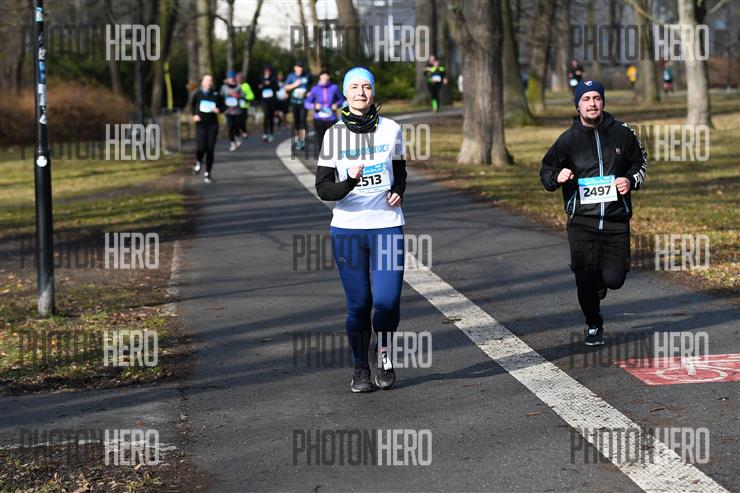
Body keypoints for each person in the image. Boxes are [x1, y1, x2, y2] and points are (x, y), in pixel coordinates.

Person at [314, 67, 407, 392]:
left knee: (388, 302)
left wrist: (399, 190)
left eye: (366, 86)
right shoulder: (334, 135)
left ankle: (384, 353)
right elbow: (324, 189)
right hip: (348, 230)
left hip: (387, 227)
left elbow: (399, 171)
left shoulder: (392, 129)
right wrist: (350, 181)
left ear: (373, 92)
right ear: (345, 93)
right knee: (359, 305)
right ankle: (360, 367)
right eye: (354, 87)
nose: (360, 93)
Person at [539, 80, 647, 346]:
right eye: (586, 99)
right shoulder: (568, 140)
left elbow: (640, 162)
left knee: (614, 279)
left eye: (596, 98)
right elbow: (546, 171)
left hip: (616, 220)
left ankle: (600, 285)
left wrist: (630, 180)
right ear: (577, 106)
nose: (592, 104)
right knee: (585, 278)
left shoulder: (623, 133)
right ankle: (593, 324)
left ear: (603, 102)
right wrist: (557, 176)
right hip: (582, 222)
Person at [191, 74, 224, 183]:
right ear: (202, 82)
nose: (209, 82)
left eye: (210, 80)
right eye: (206, 80)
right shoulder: (197, 93)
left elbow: (223, 106)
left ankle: (207, 173)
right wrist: (194, 115)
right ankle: (198, 161)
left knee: (210, 149)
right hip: (201, 124)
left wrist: (219, 110)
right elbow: (192, 106)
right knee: (201, 148)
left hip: (212, 124)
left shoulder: (216, 94)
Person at [304, 70, 344, 152]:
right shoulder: (315, 89)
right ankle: (322, 156)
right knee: (321, 140)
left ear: (328, 77)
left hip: (331, 118)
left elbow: (341, 100)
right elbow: (306, 103)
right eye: (322, 78)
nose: (324, 80)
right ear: (320, 78)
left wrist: (336, 105)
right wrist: (314, 106)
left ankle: (333, 157)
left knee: (332, 140)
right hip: (318, 118)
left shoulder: (334, 88)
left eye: (326, 78)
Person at [285, 62, 311, 150]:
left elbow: (313, 85)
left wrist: (310, 93)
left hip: (304, 102)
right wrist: (294, 85)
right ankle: (298, 137)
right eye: (298, 67)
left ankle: (302, 140)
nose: (300, 69)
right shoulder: (291, 76)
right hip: (294, 102)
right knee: (296, 121)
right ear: (295, 68)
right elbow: (286, 87)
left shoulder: (307, 75)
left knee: (302, 120)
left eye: (301, 67)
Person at [220, 70, 245, 152]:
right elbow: (220, 97)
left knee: (236, 125)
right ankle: (232, 142)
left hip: (237, 110)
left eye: (232, 78)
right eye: (229, 78)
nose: (231, 79)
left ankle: (237, 136)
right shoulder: (224, 87)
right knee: (230, 126)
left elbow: (243, 96)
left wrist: (238, 95)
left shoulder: (238, 86)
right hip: (228, 110)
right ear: (227, 79)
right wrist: (228, 95)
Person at [258, 66, 278, 142]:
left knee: (271, 117)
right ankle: (265, 133)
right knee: (266, 115)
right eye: (266, 71)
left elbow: (277, 88)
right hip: (264, 101)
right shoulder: (261, 79)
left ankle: (271, 133)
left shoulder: (273, 79)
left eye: (268, 71)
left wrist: (270, 84)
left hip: (272, 101)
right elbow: (258, 88)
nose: (267, 73)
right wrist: (263, 85)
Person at [236, 72, 255, 138]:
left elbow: (251, 96)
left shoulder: (246, 85)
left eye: (240, 78)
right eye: (237, 78)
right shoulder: (234, 85)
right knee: (236, 121)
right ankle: (238, 133)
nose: (239, 79)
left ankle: (244, 132)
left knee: (242, 120)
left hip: (244, 106)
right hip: (235, 107)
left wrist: (244, 98)